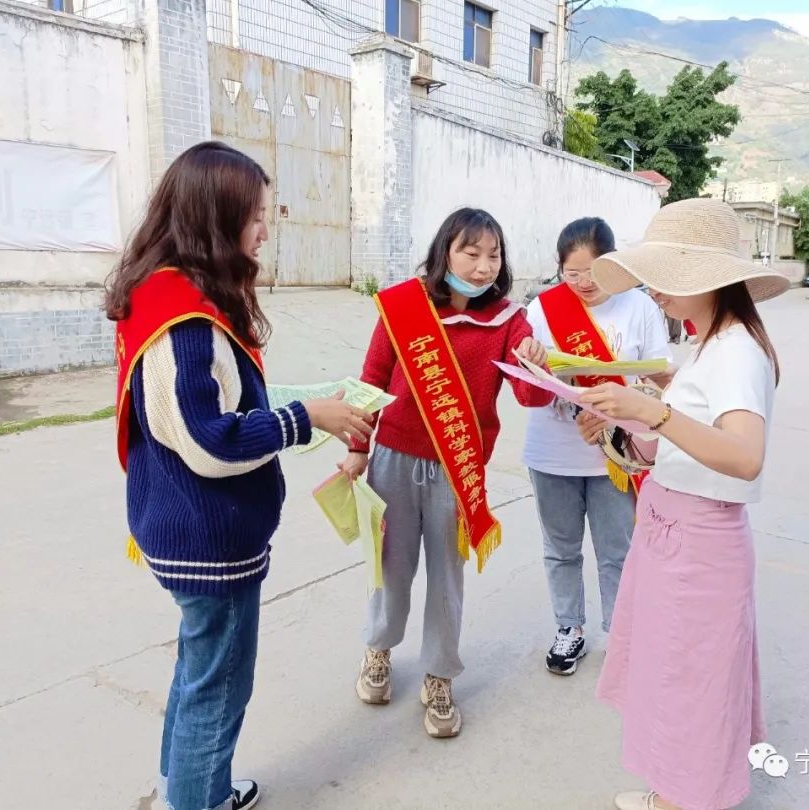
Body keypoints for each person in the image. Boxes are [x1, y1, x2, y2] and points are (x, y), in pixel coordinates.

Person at [106, 141, 373, 810]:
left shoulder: (173, 292)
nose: (263, 229)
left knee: (199, 674)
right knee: (218, 686)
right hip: (207, 534)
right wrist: (306, 416)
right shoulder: (182, 318)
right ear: (214, 219)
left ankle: (188, 788)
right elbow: (209, 442)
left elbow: (223, 401)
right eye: (253, 215)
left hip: (188, 525)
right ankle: (198, 798)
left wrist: (309, 401)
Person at [575, 197, 787, 810]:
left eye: (664, 278)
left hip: (698, 541)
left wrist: (655, 413)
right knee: (676, 674)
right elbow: (684, 443)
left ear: (705, 279)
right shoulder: (706, 344)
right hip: (676, 530)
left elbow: (745, 456)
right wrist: (634, 423)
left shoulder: (736, 351)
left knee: (691, 680)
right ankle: (676, 790)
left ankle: (684, 799)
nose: (653, 291)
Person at [337, 208, 554, 738]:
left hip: (458, 467)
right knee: (391, 566)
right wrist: (359, 448)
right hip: (393, 456)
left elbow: (530, 396)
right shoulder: (404, 308)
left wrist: (537, 363)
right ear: (445, 253)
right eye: (470, 253)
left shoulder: (510, 321)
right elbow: (373, 378)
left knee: (447, 578)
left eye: (493, 255)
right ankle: (379, 651)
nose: (482, 267)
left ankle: (439, 676)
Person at [522, 218, 671, 675]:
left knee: (617, 550)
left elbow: (657, 383)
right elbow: (529, 394)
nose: (584, 284)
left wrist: (612, 413)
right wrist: (536, 369)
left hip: (615, 454)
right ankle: (570, 628)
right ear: (559, 270)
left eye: (593, 272)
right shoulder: (542, 311)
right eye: (572, 274)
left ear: (612, 264)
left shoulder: (641, 307)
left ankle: (620, 635)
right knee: (560, 548)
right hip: (552, 451)